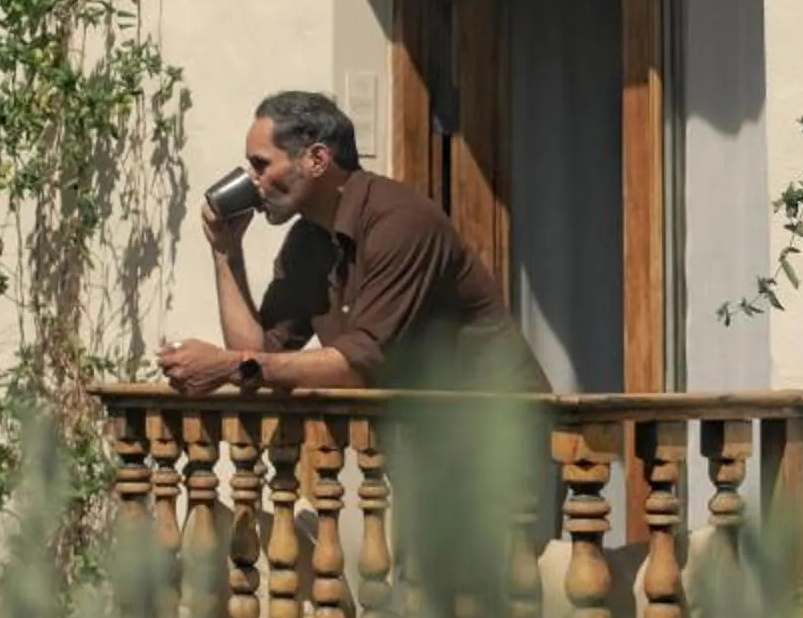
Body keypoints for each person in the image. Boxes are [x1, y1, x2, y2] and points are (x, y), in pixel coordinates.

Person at [156, 89, 538, 398]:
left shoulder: (399, 220)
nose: (253, 180)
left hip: (502, 438)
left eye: (261, 164)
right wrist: (226, 251)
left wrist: (228, 367)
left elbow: (361, 365)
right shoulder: (308, 239)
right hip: (430, 446)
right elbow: (260, 352)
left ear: (318, 159)